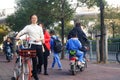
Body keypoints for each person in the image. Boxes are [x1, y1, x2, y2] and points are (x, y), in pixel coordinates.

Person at [16, 14, 44, 80]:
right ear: (31, 19)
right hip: (32, 44)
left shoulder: (39, 28)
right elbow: (22, 31)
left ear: (37, 19)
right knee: (34, 60)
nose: (34, 19)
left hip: (39, 44)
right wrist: (18, 35)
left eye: (35, 18)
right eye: (33, 18)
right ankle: (35, 75)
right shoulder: (28, 27)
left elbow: (42, 37)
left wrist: (39, 39)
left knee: (41, 61)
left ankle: (34, 71)